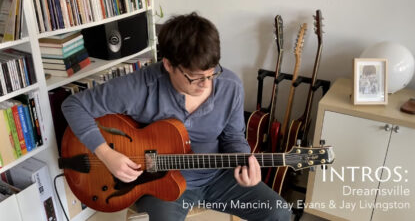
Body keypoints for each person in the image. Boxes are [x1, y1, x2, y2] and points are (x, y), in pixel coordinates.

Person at [62, 12, 291, 221]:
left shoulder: (230, 86)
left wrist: (244, 164)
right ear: (169, 65)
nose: (205, 85)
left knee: (279, 212)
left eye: (212, 74)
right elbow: (73, 105)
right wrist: (107, 154)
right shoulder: (142, 86)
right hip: (160, 183)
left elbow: (233, 136)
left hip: (218, 177)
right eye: (195, 77)